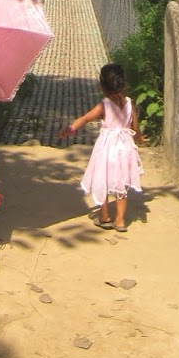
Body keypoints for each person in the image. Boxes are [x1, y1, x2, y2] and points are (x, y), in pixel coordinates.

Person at [68, 62, 144, 233]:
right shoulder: (130, 103)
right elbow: (135, 127)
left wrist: (71, 128)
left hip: (107, 148)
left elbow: (86, 118)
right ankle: (121, 221)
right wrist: (139, 138)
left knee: (102, 179)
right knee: (121, 184)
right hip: (125, 148)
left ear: (102, 85)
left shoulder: (104, 105)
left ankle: (105, 217)